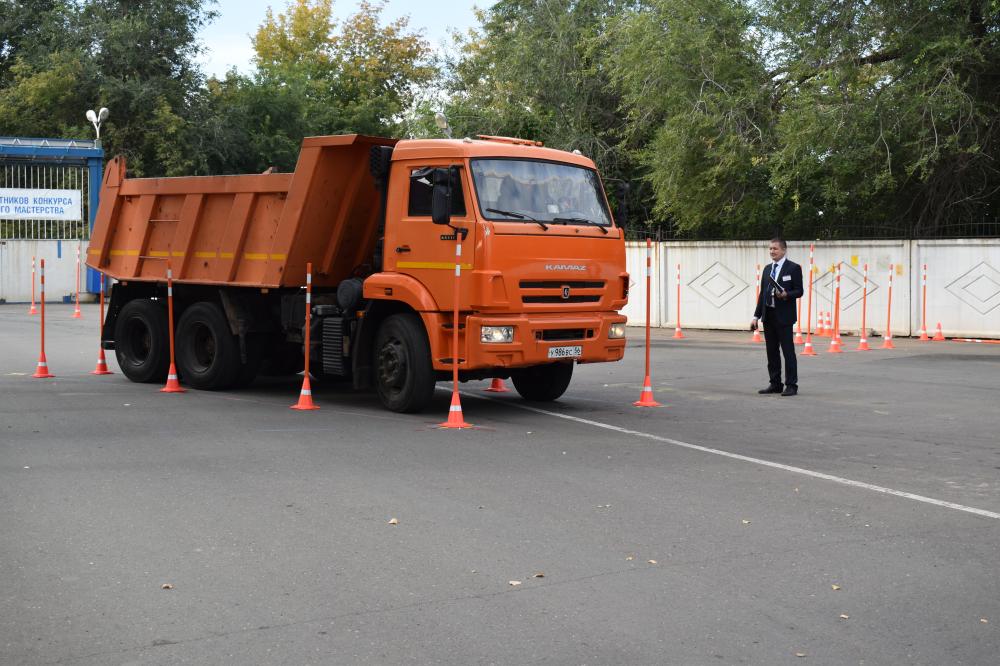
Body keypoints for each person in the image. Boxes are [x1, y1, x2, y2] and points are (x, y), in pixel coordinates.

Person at [750, 238, 804, 396]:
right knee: (771, 352)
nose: (772, 251)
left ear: (784, 250)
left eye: (775, 249)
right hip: (769, 316)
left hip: (784, 317)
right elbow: (762, 294)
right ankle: (775, 383)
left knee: (788, 352)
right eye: (770, 249)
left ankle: (791, 385)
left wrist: (787, 294)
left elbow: (799, 291)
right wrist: (756, 316)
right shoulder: (767, 269)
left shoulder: (793, 268)